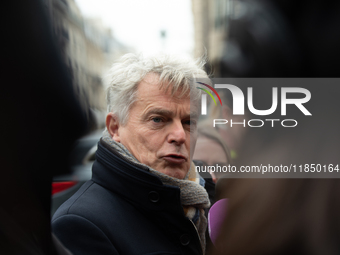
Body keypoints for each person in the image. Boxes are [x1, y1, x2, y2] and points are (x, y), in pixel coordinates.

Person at [52, 54, 211, 255]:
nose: (180, 135)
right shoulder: (80, 224)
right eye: (158, 119)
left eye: (189, 122)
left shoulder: (207, 203)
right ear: (115, 128)